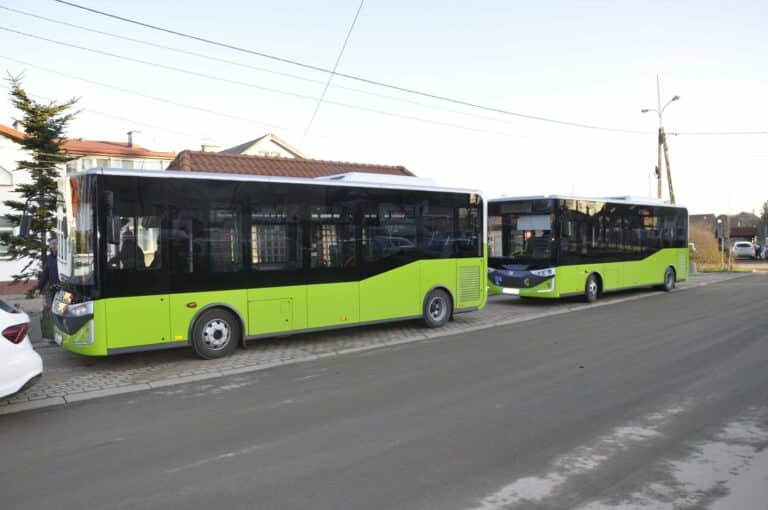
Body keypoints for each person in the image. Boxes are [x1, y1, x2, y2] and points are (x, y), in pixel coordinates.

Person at [35, 237, 59, 342]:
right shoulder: (49, 258)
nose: (53, 245)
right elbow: (45, 275)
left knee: (62, 312)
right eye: (51, 244)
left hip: (65, 290)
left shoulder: (64, 257)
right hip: (54, 291)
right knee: (55, 313)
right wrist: (38, 288)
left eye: (55, 243)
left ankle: (63, 336)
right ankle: (57, 336)